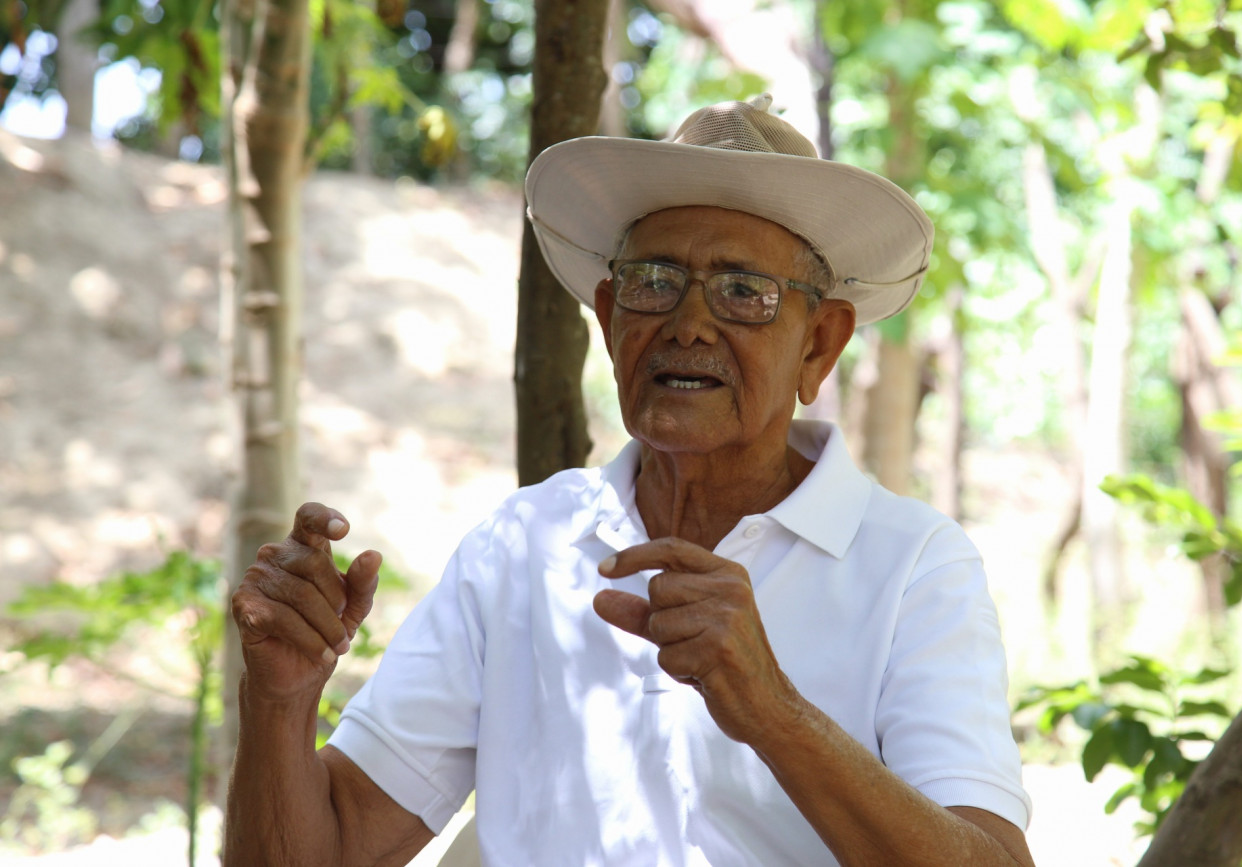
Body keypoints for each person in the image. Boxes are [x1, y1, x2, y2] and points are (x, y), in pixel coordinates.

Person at [225, 94, 1035, 866]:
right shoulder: (523, 545)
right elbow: (330, 848)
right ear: (611, 318)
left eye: (743, 292)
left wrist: (772, 709)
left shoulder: (911, 565)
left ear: (819, 345)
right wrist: (280, 700)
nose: (689, 324)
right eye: (654, 282)